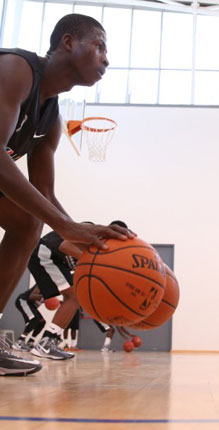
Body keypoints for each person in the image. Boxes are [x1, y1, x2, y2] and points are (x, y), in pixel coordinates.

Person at [0, 14, 133, 375]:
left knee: (27, 222)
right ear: (69, 42)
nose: (106, 58)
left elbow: (43, 190)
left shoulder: (51, 116)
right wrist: (66, 226)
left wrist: (79, 229)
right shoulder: (16, 68)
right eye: (100, 46)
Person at [30, 220, 129, 361]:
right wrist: (98, 261)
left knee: (73, 298)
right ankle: (47, 343)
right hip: (44, 253)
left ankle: (50, 342)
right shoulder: (90, 229)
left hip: (52, 259)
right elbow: (65, 245)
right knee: (74, 297)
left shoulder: (98, 248)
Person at [12, 285, 46, 352]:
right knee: (34, 319)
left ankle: (31, 341)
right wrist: (45, 297)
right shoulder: (42, 283)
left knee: (42, 322)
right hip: (23, 300)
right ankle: (19, 341)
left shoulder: (52, 291)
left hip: (31, 305)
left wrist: (58, 302)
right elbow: (31, 296)